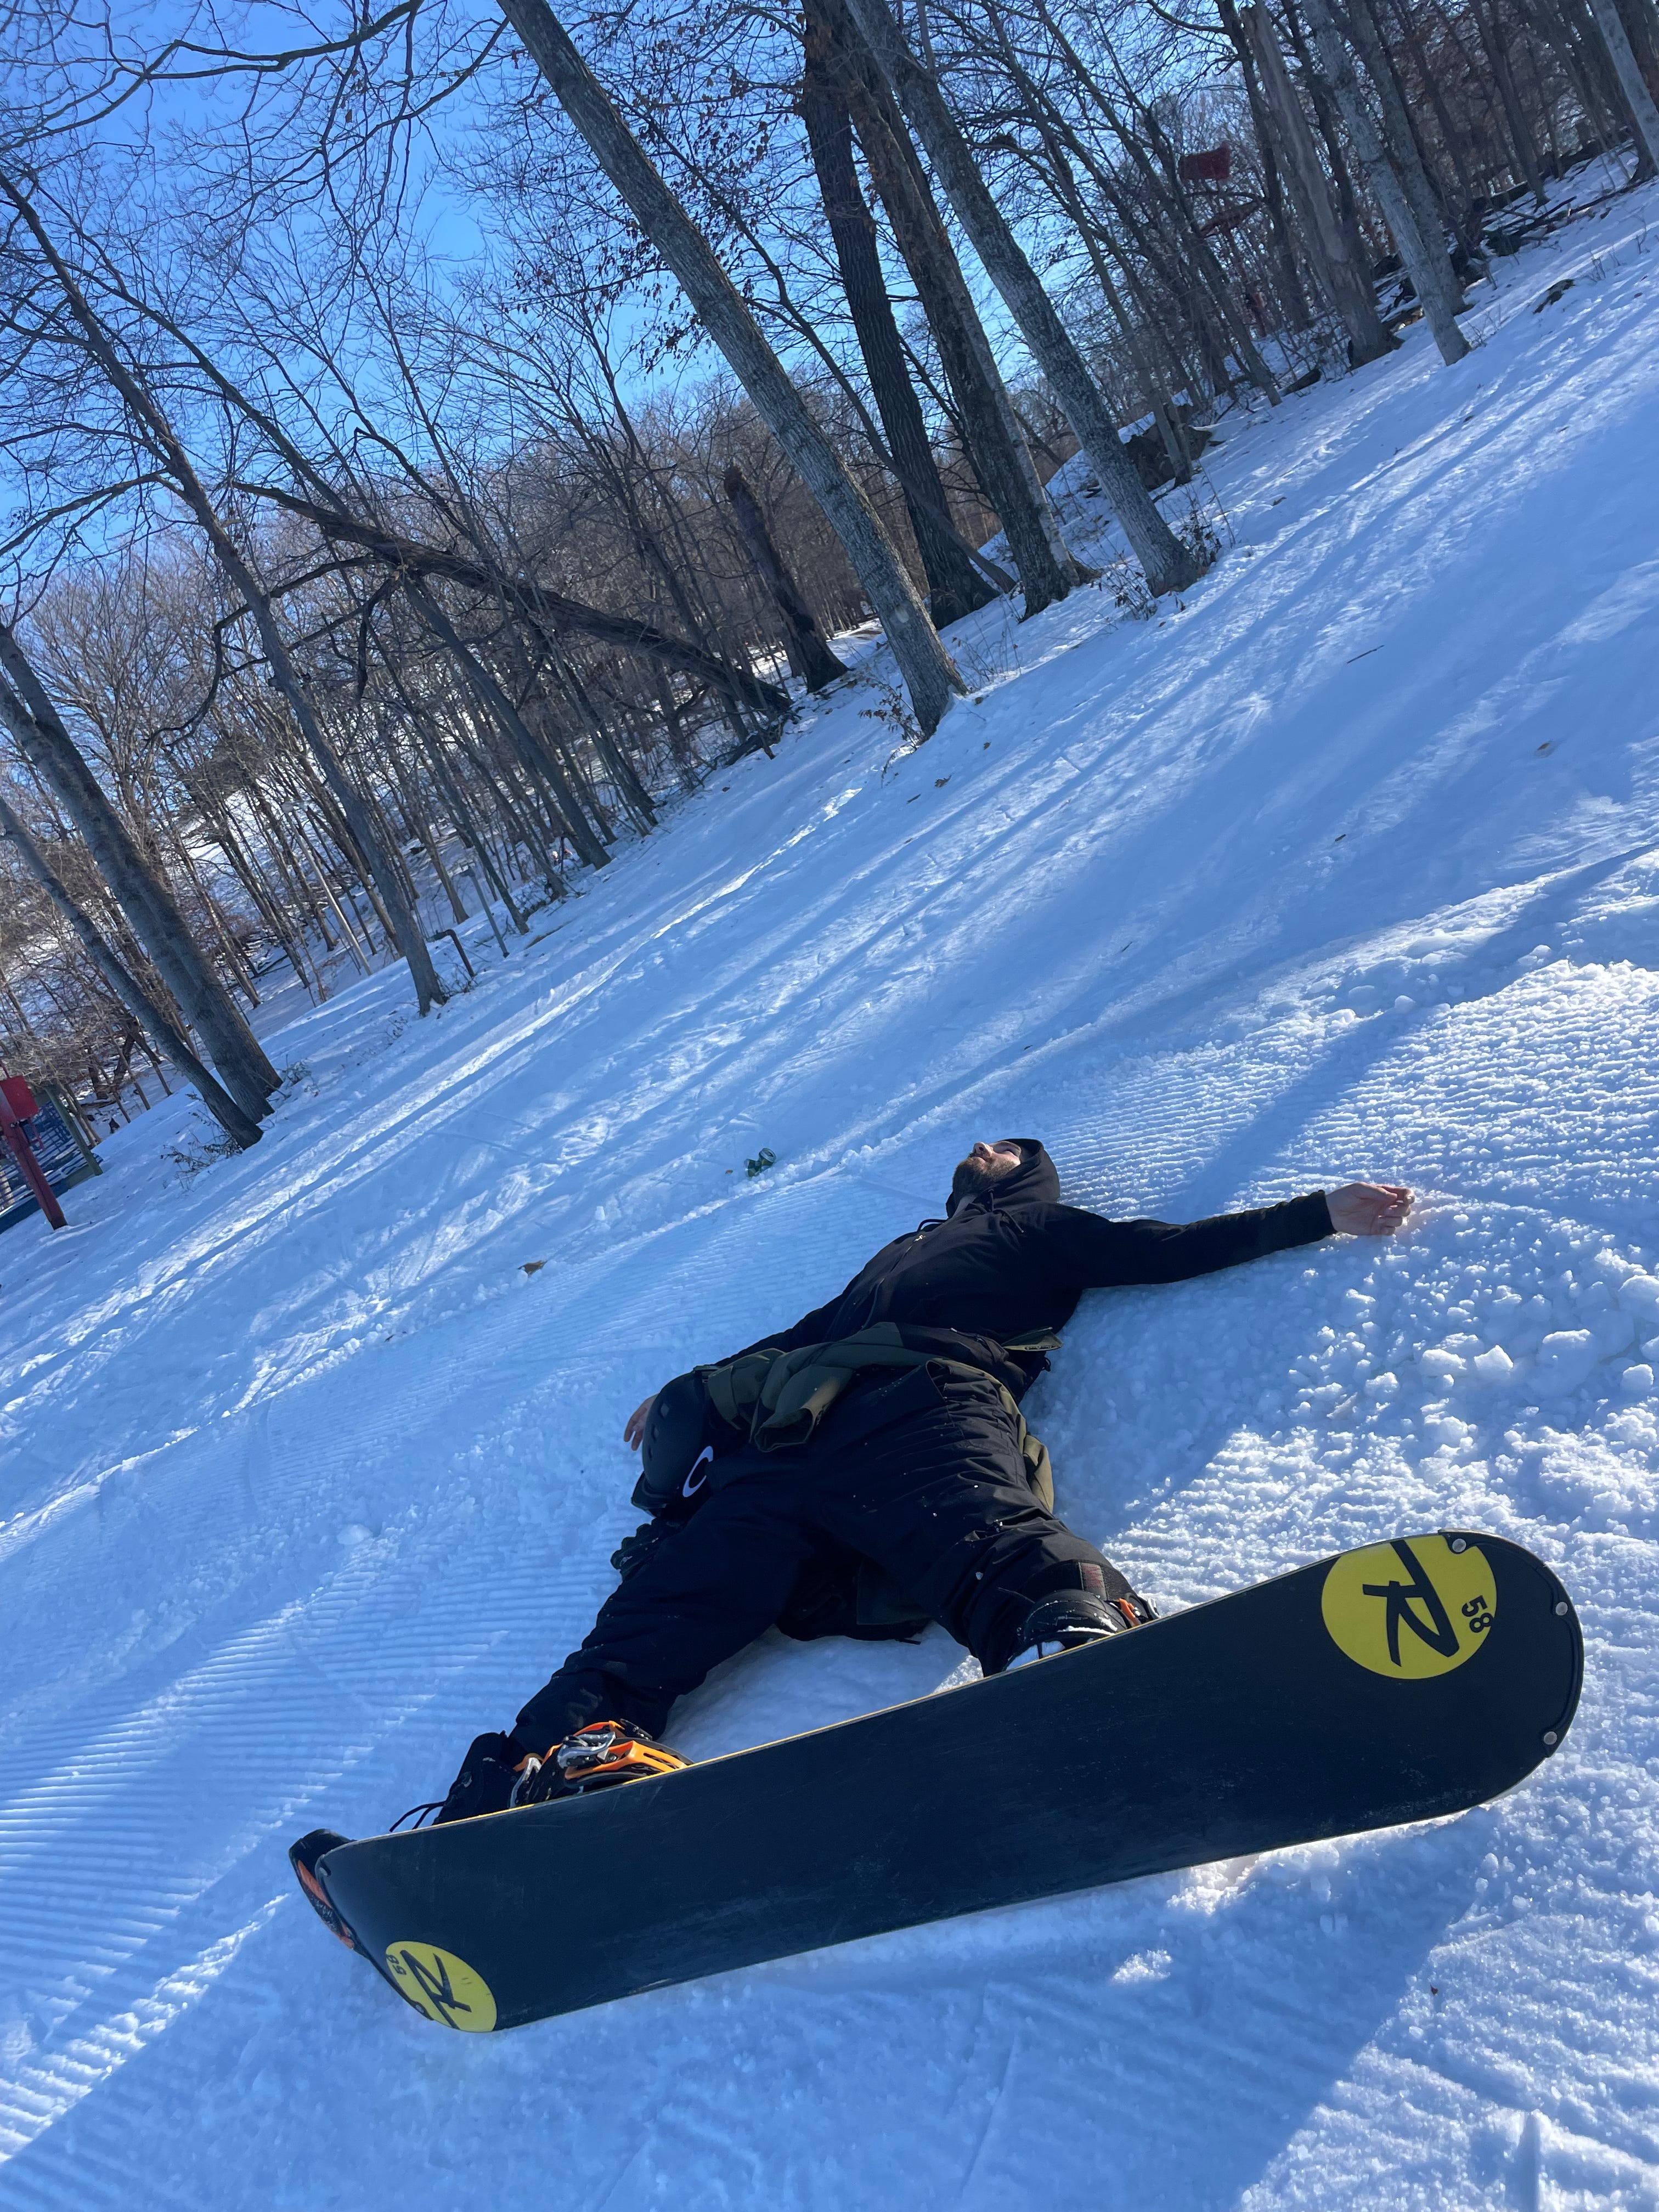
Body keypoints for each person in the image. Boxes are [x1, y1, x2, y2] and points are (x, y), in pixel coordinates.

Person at [421, 1140, 1410, 1824]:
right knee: (661, 1606)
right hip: (787, 1445)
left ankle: (1071, 1651)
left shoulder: (1034, 1231)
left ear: (1031, 1179)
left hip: (926, 1399)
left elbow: (1163, 1248)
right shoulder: (898, 1253)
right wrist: (697, 1389)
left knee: (985, 1535)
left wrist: (1316, 1215)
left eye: (1007, 1148)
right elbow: (803, 1335)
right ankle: (550, 1766)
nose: (984, 1147)